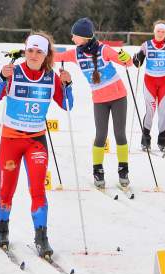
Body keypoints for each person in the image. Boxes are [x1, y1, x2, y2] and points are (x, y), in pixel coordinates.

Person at [0, 32, 74, 257]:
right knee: (7, 189)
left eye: (39, 52)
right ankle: (2, 229)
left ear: (46, 55)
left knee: (37, 189)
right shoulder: (14, 73)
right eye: (30, 50)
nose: (33, 55)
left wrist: (68, 84)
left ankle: (41, 237)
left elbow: (67, 105)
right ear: (25, 50)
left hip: (36, 141)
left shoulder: (51, 76)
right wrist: (1, 78)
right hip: (11, 140)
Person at [55, 17, 133, 189]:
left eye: (74, 36)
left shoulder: (104, 50)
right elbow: (55, 55)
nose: (72, 39)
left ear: (84, 37)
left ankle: (123, 169)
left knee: (119, 134)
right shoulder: (76, 53)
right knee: (100, 135)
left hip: (118, 96)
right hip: (99, 100)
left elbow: (128, 62)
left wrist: (126, 57)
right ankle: (98, 170)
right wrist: (30, 52)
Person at [132, 20, 165, 152]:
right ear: (154, 31)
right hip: (150, 82)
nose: (160, 33)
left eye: (163, 31)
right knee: (150, 111)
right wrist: (137, 57)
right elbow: (137, 63)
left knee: (163, 112)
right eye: (158, 31)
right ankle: (145, 140)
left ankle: (162, 141)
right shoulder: (146, 45)